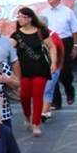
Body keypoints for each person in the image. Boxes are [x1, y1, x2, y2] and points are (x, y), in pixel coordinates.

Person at [9, 7, 57, 137]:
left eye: (22, 17)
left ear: (29, 18)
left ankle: (36, 124)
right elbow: (8, 50)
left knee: (37, 95)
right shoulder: (16, 35)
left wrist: (53, 62)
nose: (19, 19)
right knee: (24, 95)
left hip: (40, 68)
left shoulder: (41, 32)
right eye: (18, 17)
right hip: (23, 70)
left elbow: (52, 47)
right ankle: (27, 116)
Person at [39, 0, 77, 109]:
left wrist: (75, 46)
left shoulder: (67, 12)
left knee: (65, 72)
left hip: (64, 42)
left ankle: (69, 90)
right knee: (52, 72)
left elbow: (75, 30)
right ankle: (55, 101)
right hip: (49, 43)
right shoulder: (43, 13)